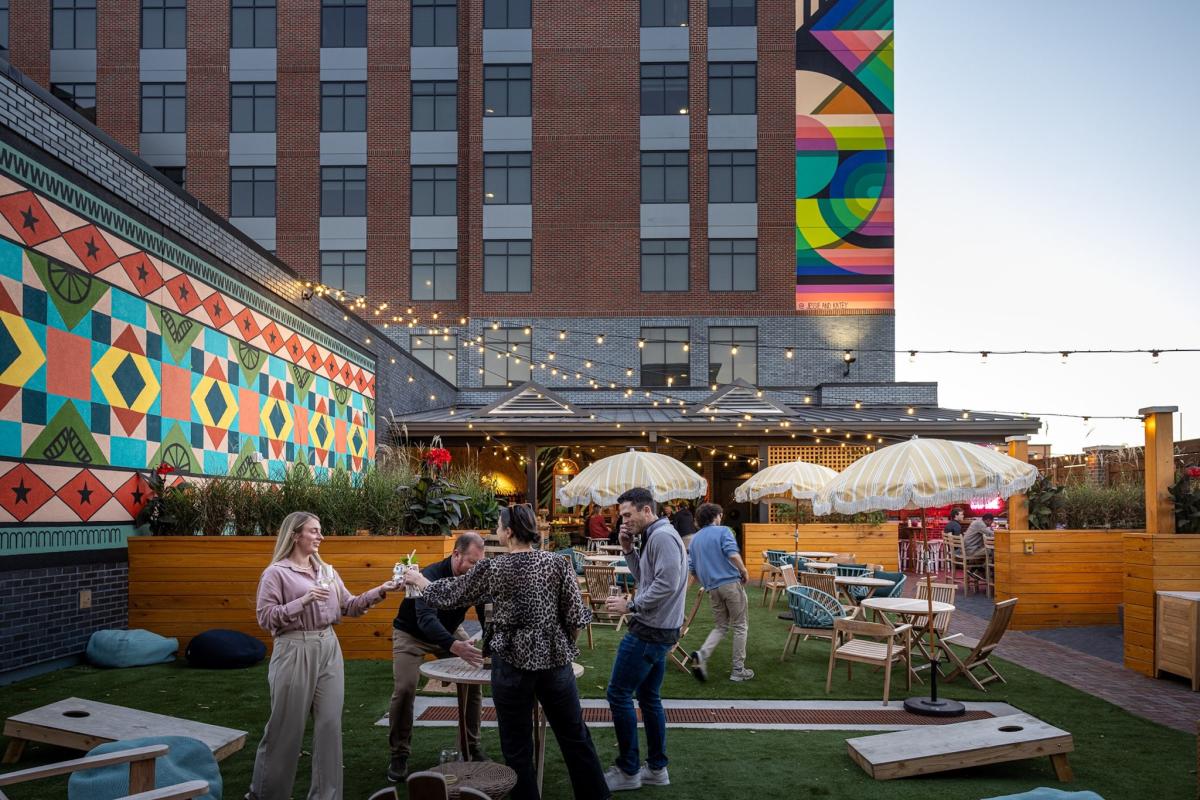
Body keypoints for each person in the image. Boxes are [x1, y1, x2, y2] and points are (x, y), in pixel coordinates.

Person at [402, 504, 609, 800]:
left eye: (498, 526)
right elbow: (576, 618)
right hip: (554, 661)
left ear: (509, 532)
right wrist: (561, 645)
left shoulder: (493, 568)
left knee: (516, 745)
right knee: (575, 735)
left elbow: (450, 594)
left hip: (510, 663)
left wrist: (419, 579)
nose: (496, 530)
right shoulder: (558, 564)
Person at [248, 511, 399, 800]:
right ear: (295, 535)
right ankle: (267, 795)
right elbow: (266, 618)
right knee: (285, 728)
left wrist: (382, 590)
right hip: (293, 648)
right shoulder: (276, 573)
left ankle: (327, 796)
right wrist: (302, 601)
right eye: (314, 531)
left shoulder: (327, 571)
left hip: (329, 646)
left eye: (320, 531)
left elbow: (350, 606)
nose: (321, 536)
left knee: (330, 726)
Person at [603, 487, 688, 791]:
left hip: (650, 630)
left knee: (618, 694)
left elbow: (666, 583)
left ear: (647, 510)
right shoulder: (656, 535)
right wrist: (628, 549)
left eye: (627, 514)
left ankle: (628, 772)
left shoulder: (663, 537)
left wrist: (631, 605)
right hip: (661, 630)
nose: (623, 520)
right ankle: (656, 769)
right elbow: (646, 579)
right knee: (649, 698)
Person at [386, 532, 488, 782]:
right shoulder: (429, 576)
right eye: (472, 563)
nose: (476, 569)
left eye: (480, 563)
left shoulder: (475, 578)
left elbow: (486, 610)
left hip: (451, 631)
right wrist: (456, 647)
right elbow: (426, 620)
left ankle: (471, 747)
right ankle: (399, 753)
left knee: (473, 685)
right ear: (456, 554)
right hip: (411, 633)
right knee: (405, 688)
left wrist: (487, 640)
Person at [686, 503, 753, 683]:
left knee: (721, 627)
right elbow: (732, 554)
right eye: (720, 514)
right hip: (730, 584)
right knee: (740, 626)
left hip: (712, 589)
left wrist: (698, 585)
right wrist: (744, 570)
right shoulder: (723, 531)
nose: (721, 517)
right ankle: (738, 670)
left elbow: (692, 570)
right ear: (715, 516)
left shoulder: (694, 540)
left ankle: (702, 655)